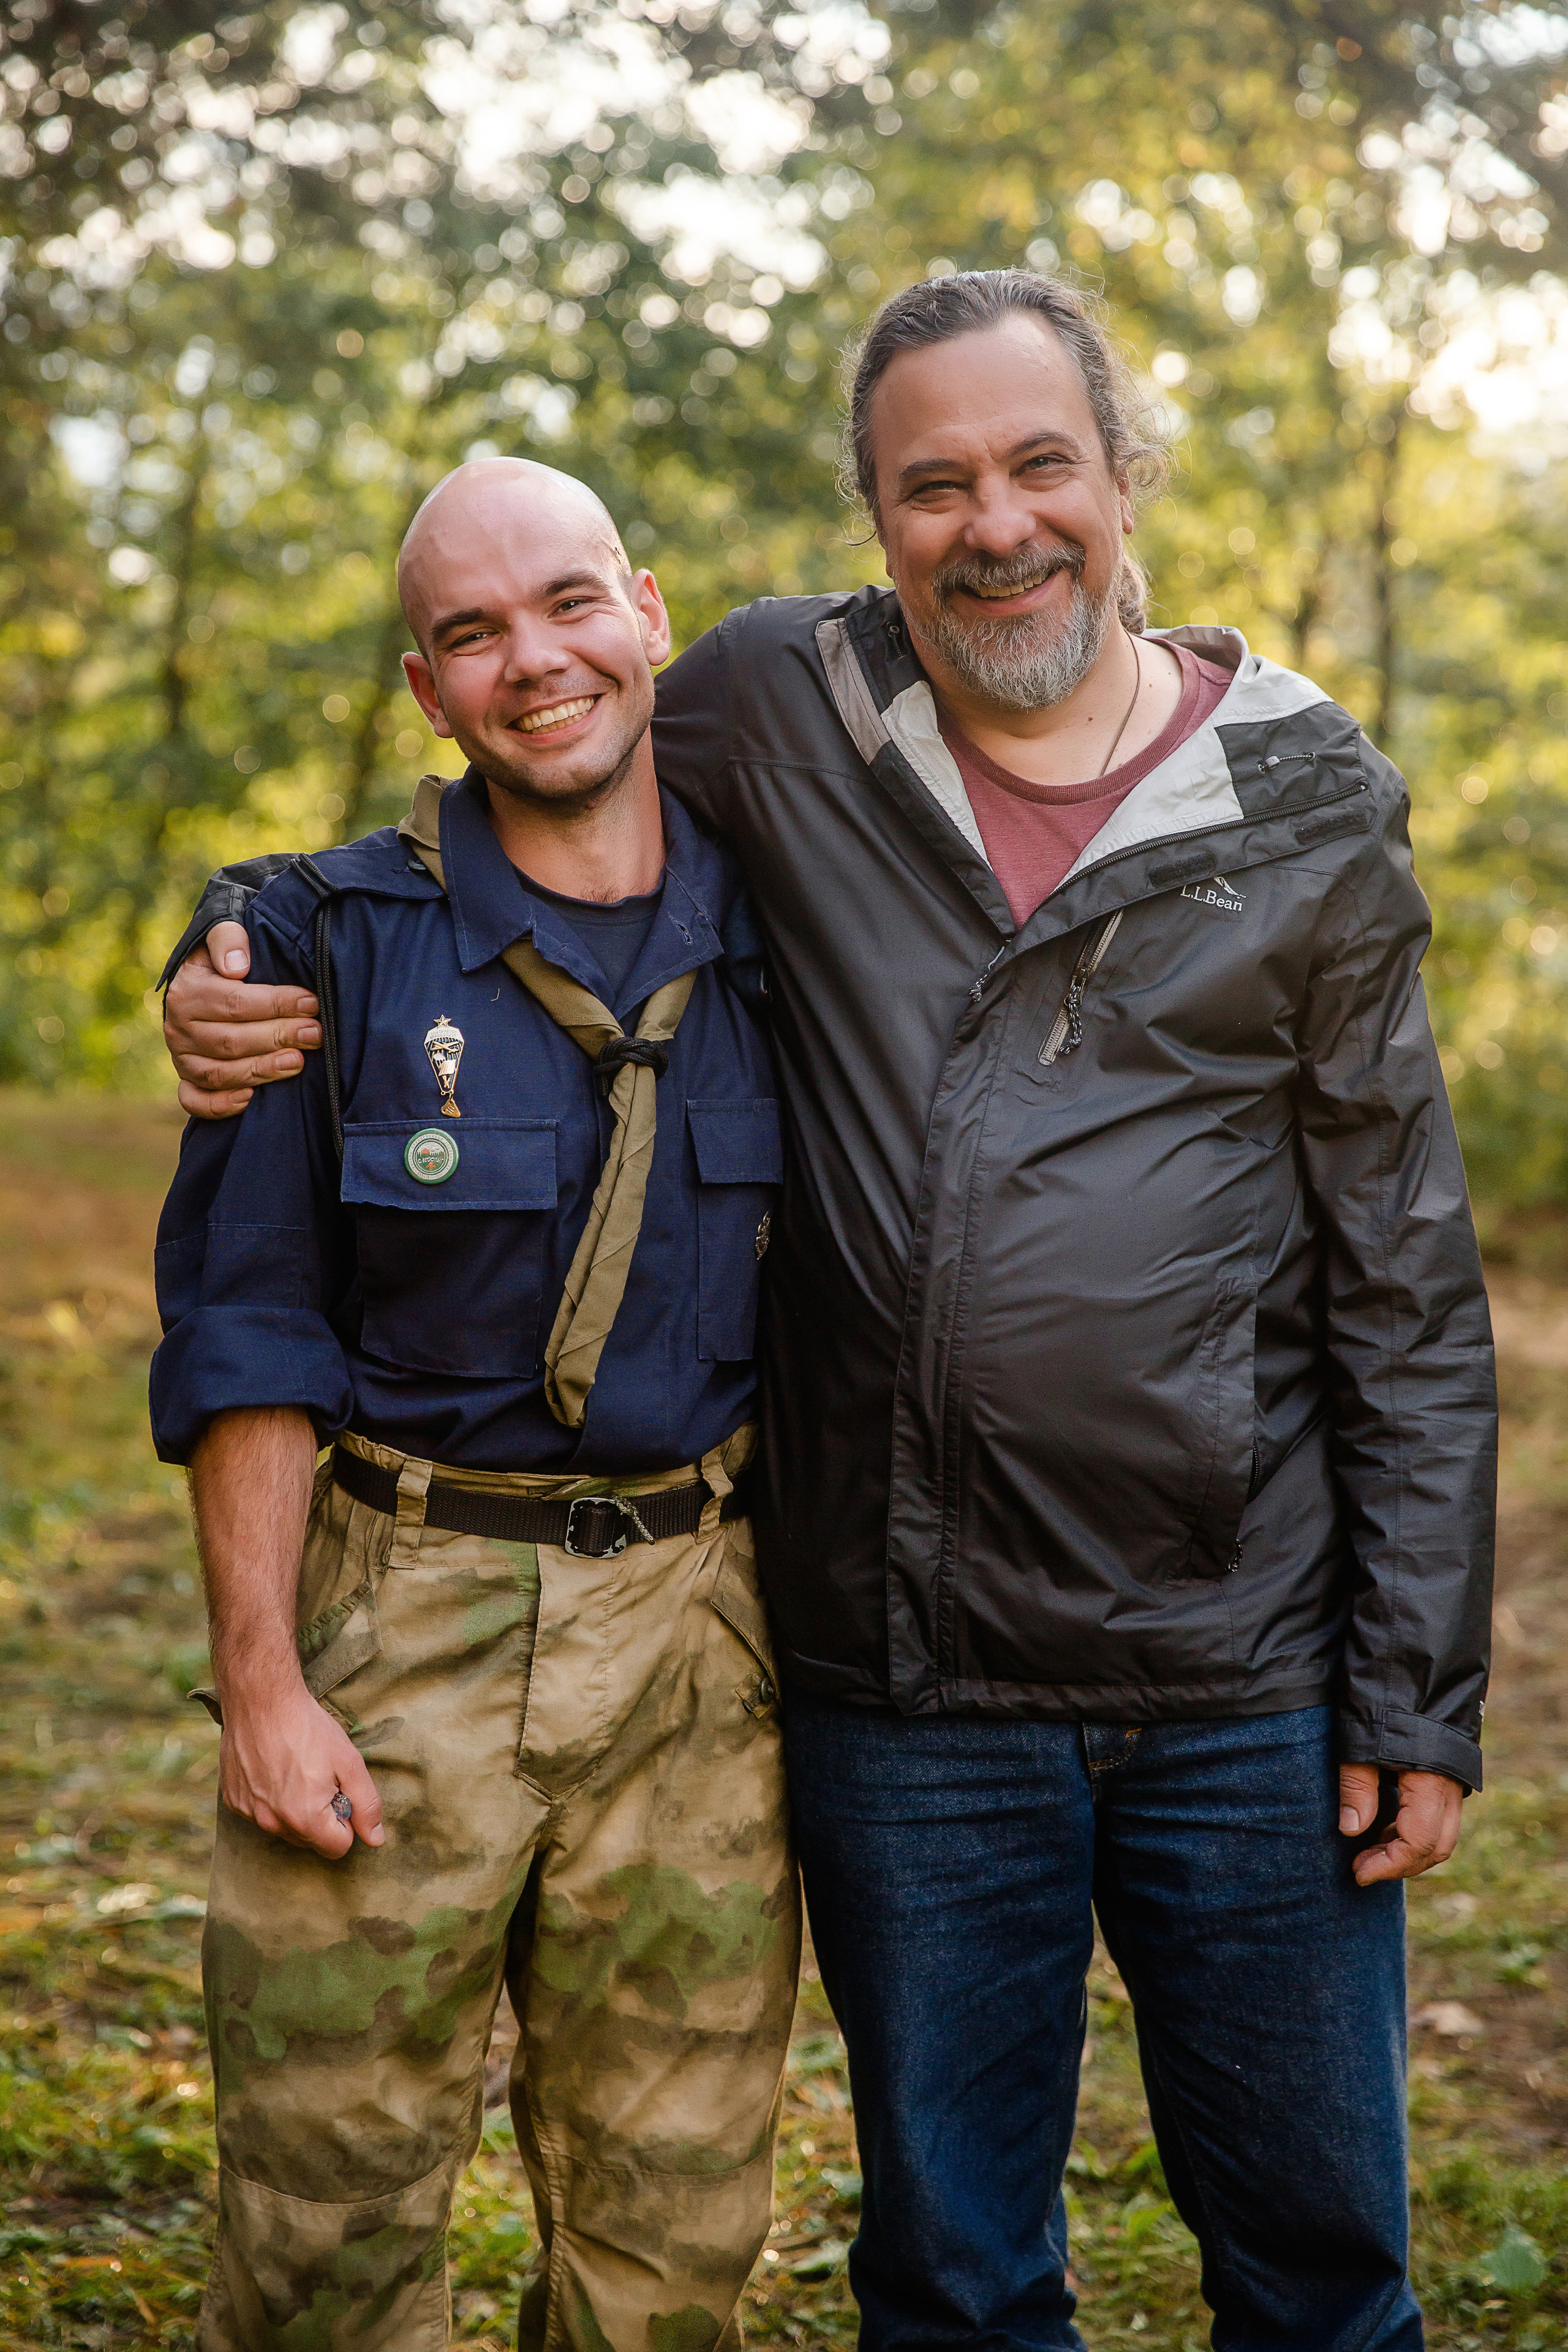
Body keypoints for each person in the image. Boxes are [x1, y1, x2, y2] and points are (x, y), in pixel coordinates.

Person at [164, 271, 1496, 2351]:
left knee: (1298, 2269)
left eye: (1042, 463)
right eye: (931, 483)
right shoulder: (758, 723)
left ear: (1122, 477)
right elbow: (483, 788)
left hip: (1234, 1664)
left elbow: (1406, 1279)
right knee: (940, 2278)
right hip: (890, 1673)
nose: (997, 523)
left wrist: (1419, 1687)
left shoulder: (1301, 803)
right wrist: (237, 935)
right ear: (872, 524)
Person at [150, 461, 801, 2352]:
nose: (536, 661)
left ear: (652, 612)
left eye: (571, 603)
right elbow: (253, 1329)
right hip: (403, 1616)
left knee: (672, 2238)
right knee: (325, 2220)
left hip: (702, 1634)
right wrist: (263, 1687)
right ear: (426, 687)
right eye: (471, 634)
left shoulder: (804, 931)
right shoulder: (321, 949)